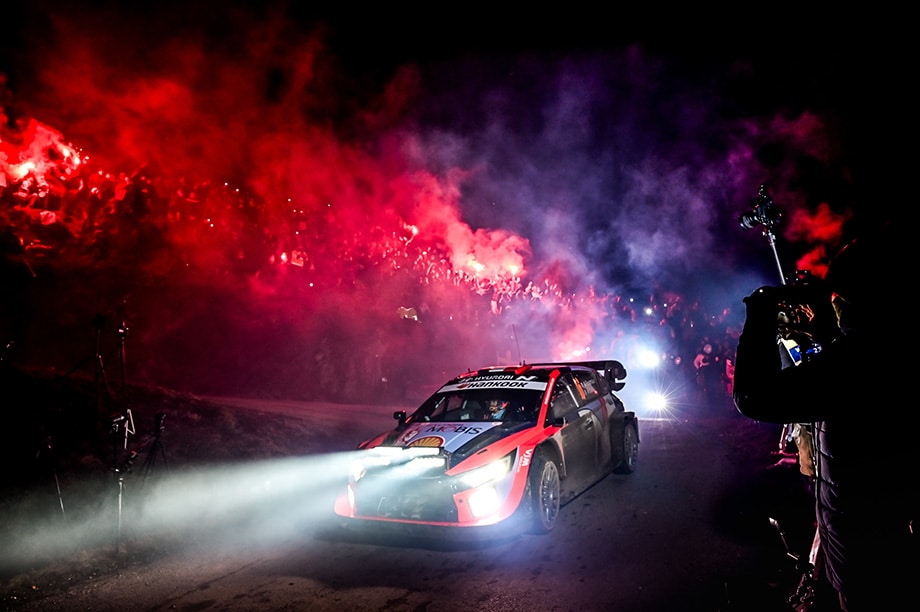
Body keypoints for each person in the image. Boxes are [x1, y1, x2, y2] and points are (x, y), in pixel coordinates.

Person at [733, 221, 917, 610]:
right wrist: (827, 338)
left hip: (871, 552)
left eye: (837, 297)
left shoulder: (857, 364)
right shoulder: (888, 349)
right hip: (882, 541)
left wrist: (760, 313)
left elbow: (754, 396)